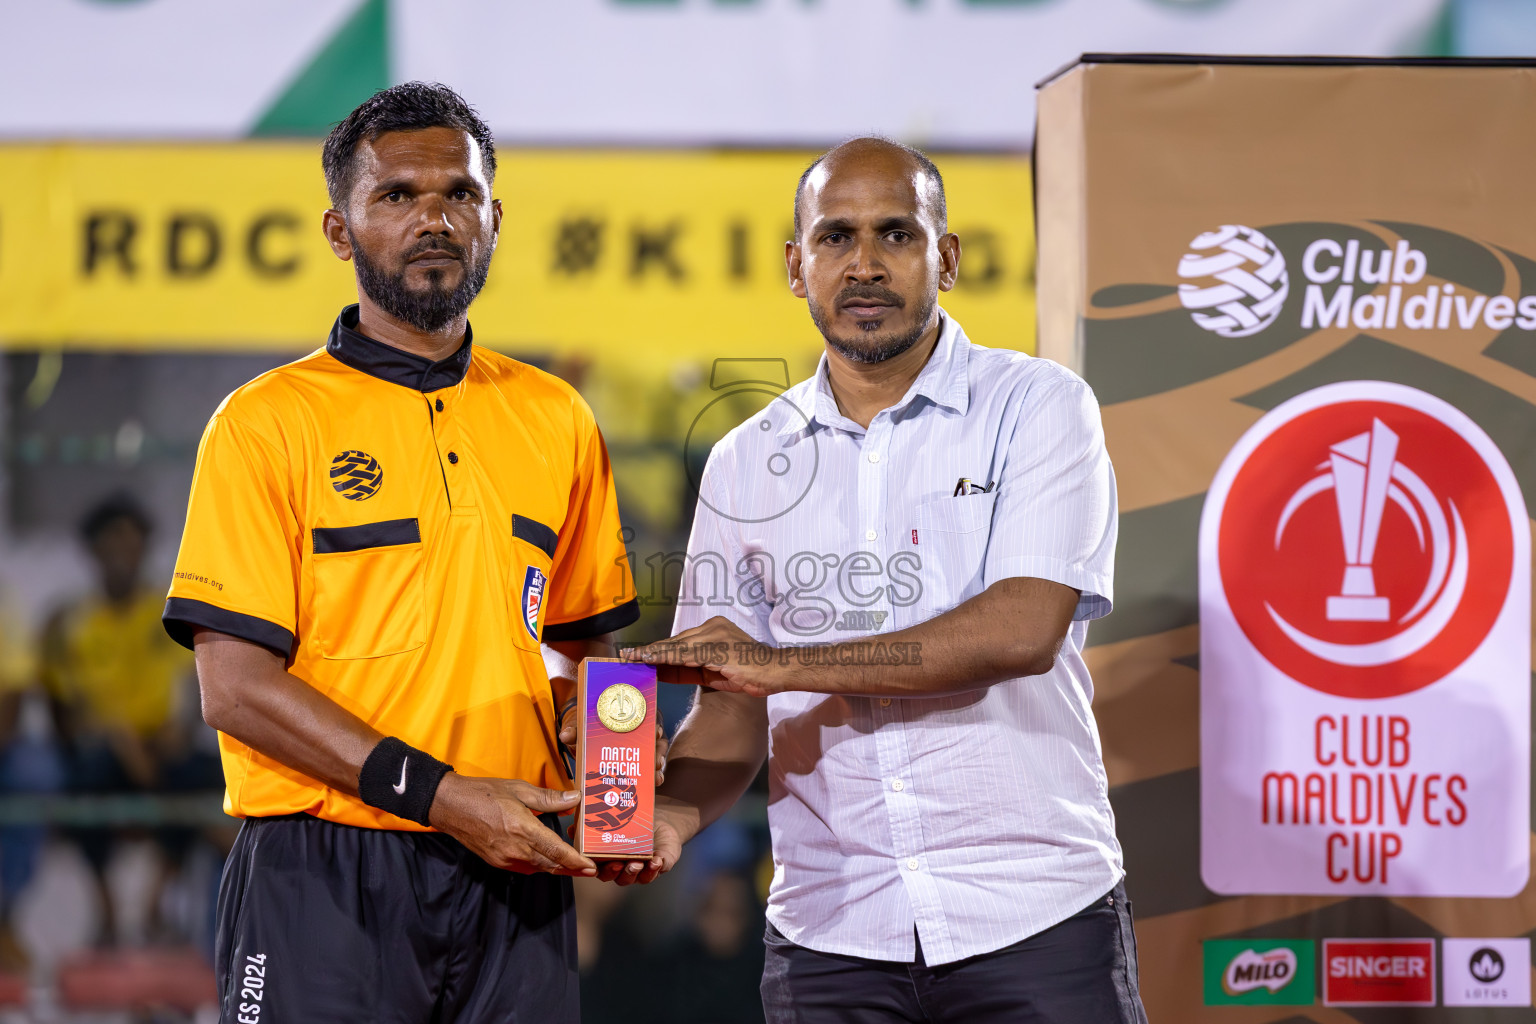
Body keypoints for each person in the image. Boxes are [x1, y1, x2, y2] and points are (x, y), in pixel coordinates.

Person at [621, 137, 1148, 1023]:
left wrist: (779, 666)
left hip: (1033, 915)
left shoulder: (1039, 407)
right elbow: (728, 699)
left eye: (895, 234)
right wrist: (674, 814)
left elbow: (1020, 630)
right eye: (835, 238)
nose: (863, 264)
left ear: (946, 256)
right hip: (831, 935)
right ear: (797, 266)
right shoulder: (746, 463)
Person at [161, 83, 652, 1022]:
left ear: (494, 221)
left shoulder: (557, 417)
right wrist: (439, 794)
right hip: (324, 870)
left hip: (514, 874)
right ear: (340, 232)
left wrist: (605, 740)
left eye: (459, 195)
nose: (434, 217)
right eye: (397, 196)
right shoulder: (266, 424)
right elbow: (233, 687)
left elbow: (580, 648)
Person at [42, 493, 214, 946]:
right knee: (81, 779)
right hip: (107, 750)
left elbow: (189, 688)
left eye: (132, 544)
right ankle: (107, 909)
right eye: (111, 545)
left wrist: (172, 732)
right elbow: (66, 708)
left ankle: (159, 899)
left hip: (159, 744)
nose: (123, 556)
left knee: (199, 776)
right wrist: (111, 738)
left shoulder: (169, 611)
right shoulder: (72, 623)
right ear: (93, 552)